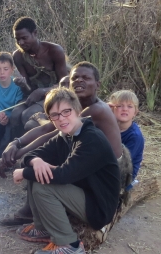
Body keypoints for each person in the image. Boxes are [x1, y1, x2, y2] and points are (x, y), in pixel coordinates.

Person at [0, 62, 129, 226]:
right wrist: (15, 144)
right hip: (91, 162)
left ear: (97, 84)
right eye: (75, 78)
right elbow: (47, 127)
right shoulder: (74, 107)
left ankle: (33, 213)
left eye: (85, 78)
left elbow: (54, 134)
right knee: (43, 160)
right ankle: (36, 210)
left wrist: (19, 159)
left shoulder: (95, 110)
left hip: (108, 175)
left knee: (49, 164)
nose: (79, 81)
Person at [12, 88, 120, 254]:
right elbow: (30, 155)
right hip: (82, 191)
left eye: (66, 111)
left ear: (77, 110)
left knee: (43, 184)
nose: (61, 118)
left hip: (99, 205)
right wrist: (36, 161)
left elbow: (64, 175)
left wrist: (23, 173)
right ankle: (43, 229)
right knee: (37, 172)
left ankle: (69, 245)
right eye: (54, 115)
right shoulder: (65, 135)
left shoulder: (91, 139)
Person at [8, 17, 71, 135]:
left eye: (24, 38)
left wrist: (42, 91)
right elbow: (29, 90)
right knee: (15, 114)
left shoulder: (54, 50)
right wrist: (22, 85)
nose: (21, 43)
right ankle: (16, 146)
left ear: (35, 33)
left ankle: (34, 148)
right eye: (17, 40)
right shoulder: (18, 56)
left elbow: (65, 86)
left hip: (57, 95)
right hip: (35, 96)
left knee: (27, 115)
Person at [108, 90, 145, 189]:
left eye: (130, 106)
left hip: (122, 177)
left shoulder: (135, 136)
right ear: (112, 109)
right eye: (119, 106)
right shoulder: (108, 127)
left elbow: (122, 164)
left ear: (135, 112)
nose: (125, 109)